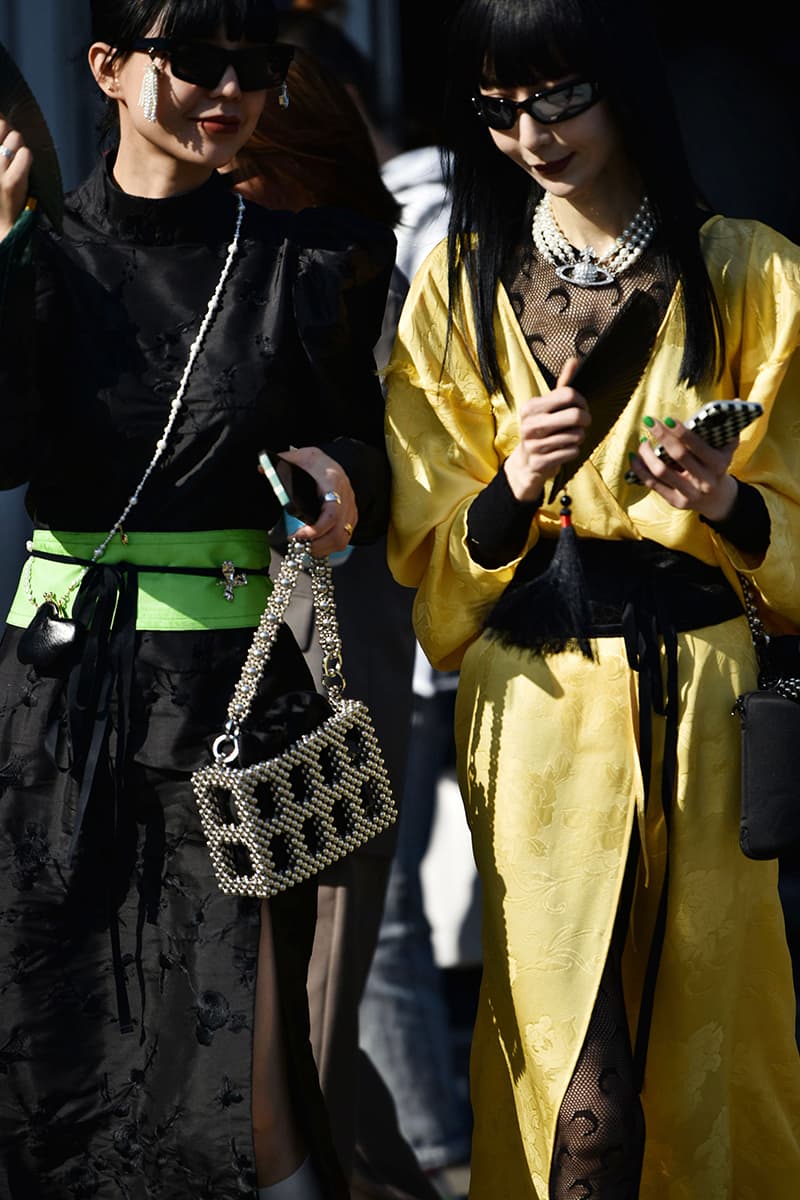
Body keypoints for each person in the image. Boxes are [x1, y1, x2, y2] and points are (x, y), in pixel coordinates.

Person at [384, 0, 800, 1196]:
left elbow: (791, 525)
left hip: (703, 691)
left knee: (709, 1054)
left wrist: (725, 501)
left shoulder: (753, 272)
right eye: (499, 108)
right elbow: (429, 559)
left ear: (621, 85)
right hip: (537, 704)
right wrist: (511, 484)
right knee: (574, 1086)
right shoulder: (455, 285)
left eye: (557, 97)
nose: (530, 133)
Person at [0, 2, 395, 1197]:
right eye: (195, 61)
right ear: (111, 70)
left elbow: (362, 442)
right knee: (59, 1047)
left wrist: (344, 477)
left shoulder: (313, 255)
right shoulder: (44, 252)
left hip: (230, 695)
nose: (228, 89)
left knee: (241, 1063)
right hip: (60, 692)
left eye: (256, 66)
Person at [228, 42, 441, 1200]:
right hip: (218, 666)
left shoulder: (377, 284)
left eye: (251, 161)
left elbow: (409, 484)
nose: (223, 179)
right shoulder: (202, 270)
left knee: (315, 1018)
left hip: (332, 657)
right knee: (274, 1037)